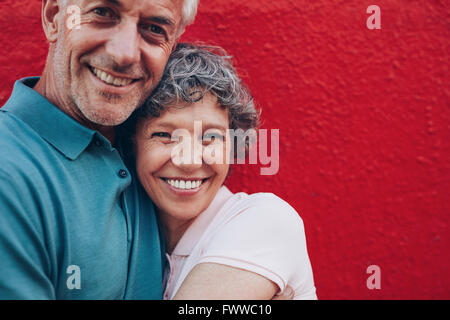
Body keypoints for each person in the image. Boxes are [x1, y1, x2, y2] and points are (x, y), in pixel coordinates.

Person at [0, 0, 294, 300]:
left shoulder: (137, 162)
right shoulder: (9, 174)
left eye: (154, 28)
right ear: (53, 17)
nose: (124, 53)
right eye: (102, 13)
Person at [128, 43, 317, 299]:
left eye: (210, 137)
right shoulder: (129, 238)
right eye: (164, 135)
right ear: (131, 145)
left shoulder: (266, 220)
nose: (190, 161)